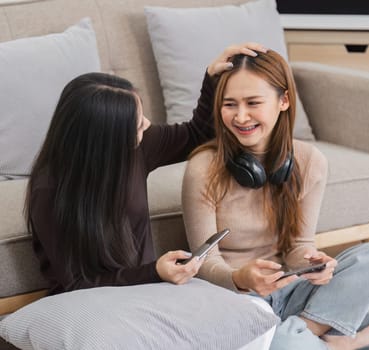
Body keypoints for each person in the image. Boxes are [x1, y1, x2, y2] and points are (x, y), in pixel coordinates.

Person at [182, 49, 369, 350]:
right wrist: (240, 278)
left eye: (253, 103)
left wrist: (314, 264)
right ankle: (331, 342)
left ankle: (301, 334)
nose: (241, 116)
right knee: (285, 344)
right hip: (234, 300)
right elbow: (203, 262)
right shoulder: (203, 168)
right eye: (229, 104)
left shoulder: (309, 161)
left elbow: (298, 247)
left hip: (289, 289)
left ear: (283, 101)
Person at [24, 43, 267, 295]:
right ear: (106, 140)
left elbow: (196, 134)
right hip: (88, 303)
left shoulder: (135, 149)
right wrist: (154, 272)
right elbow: (77, 284)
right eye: (138, 125)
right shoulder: (49, 191)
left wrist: (212, 80)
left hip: (145, 290)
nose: (148, 125)